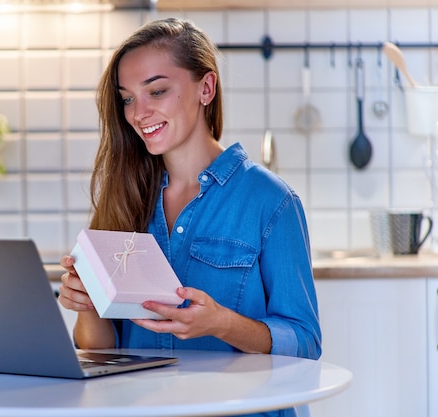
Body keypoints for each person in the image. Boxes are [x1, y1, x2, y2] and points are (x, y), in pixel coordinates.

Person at [58, 17, 321, 416]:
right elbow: (100, 349)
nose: (138, 113)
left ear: (206, 88)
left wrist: (221, 323)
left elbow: (305, 340)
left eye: (157, 91)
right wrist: (89, 304)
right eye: (127, 98)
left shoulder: (272, 202)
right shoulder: (125, 197)